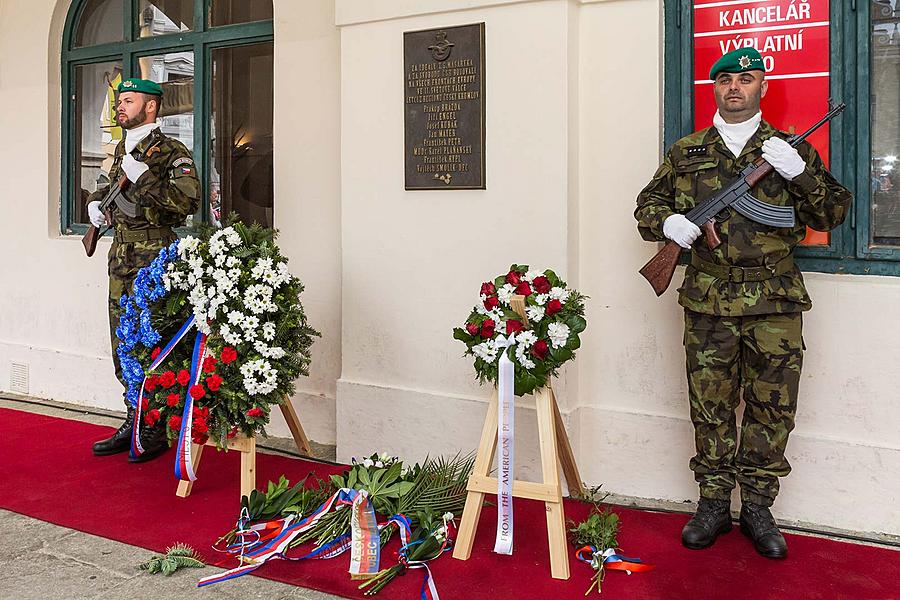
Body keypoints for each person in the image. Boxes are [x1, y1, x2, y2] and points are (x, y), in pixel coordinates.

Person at [634, 48, 852, 559]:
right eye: (726, 79)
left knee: (772, 408)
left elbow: (832, 214)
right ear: (716, 88)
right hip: (709, 301)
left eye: (746, 79)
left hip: (775, 302)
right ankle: (712, 503)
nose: (735, 87)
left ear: (762, 88)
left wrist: (799, 172)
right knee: (709, 407)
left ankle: (757, 505)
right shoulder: (686, 151)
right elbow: (648, 205)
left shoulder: (787, 149)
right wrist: (669, 225)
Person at [88, 78, 201, 462]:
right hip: (121, 260)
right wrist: (95, 204)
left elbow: (187, 201)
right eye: (119, 100)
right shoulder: (121, 150)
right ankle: (133, 417)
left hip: (154, 265)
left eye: (128, 100)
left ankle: (154, 428)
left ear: (150, 107)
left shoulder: (171, 151)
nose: (119, 106)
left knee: (155, 343)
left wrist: (145, 177)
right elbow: (105, 188)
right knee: (123, 342)